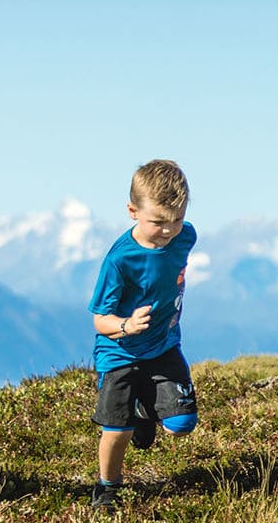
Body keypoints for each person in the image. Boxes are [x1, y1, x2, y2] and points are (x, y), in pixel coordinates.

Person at [85, 159, 200, 511]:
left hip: (164, 345)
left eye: (176, 219)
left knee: (181, 424)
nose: (168, 230)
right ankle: (107, 487)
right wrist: (126, 326)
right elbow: (99, 320)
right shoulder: (120, 261)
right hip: (119, 352)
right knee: (118, 431)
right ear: (133, 211)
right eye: (158, 222)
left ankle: (145, 410)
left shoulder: (187, 236)